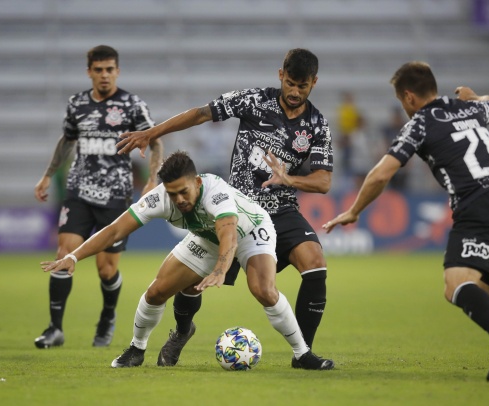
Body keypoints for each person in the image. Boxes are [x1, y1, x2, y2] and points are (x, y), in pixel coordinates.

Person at [323, 61, 489, 381]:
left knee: (455, 284)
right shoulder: (468, 108)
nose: (404, 109)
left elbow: (382, 173)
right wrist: (477, 97)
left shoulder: (420, 123)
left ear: (410, 97)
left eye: (402, 102)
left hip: (479, 205)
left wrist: (355, 210)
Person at [116, 48, 335, 367]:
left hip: (281, 210)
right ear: (280, 75)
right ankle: (181, 331)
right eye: (290, 83)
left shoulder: (316, 124)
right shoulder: (254, 101)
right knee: (188, 285)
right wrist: (153, 132)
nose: (295, 91)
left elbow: (323, 181)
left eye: (303, 86)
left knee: (315, 265)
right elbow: (201, 113)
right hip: (235, 209)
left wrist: (288, 179)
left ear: (314, 82)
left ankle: (303, 353)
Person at [40, 151, 334, 370]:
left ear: (196, 181)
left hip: (251, 230)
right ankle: (136, 349)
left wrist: (221, 270)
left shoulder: (215, 191)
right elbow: (115, 229)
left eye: (184, 191)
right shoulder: (160, 199)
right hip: (206, 237)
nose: (179, 199)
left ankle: (302, 354)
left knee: (263, 290)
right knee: (156, 291)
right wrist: (74, 256)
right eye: (172, 193)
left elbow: (229, 232)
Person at [33, 45, 163, 349]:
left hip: (115, 197)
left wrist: (152, 179)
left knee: (107, 270)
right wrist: (48, 175)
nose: (104, 75)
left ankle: (106, 317)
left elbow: (155, 143)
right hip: (78, 191)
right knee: (65, 254)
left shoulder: (132, 105)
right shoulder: (77, 104)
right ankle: (55, 328)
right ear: (89, 71)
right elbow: (67, 141)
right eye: (98, 69)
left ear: (117, 70)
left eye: (110, 69)